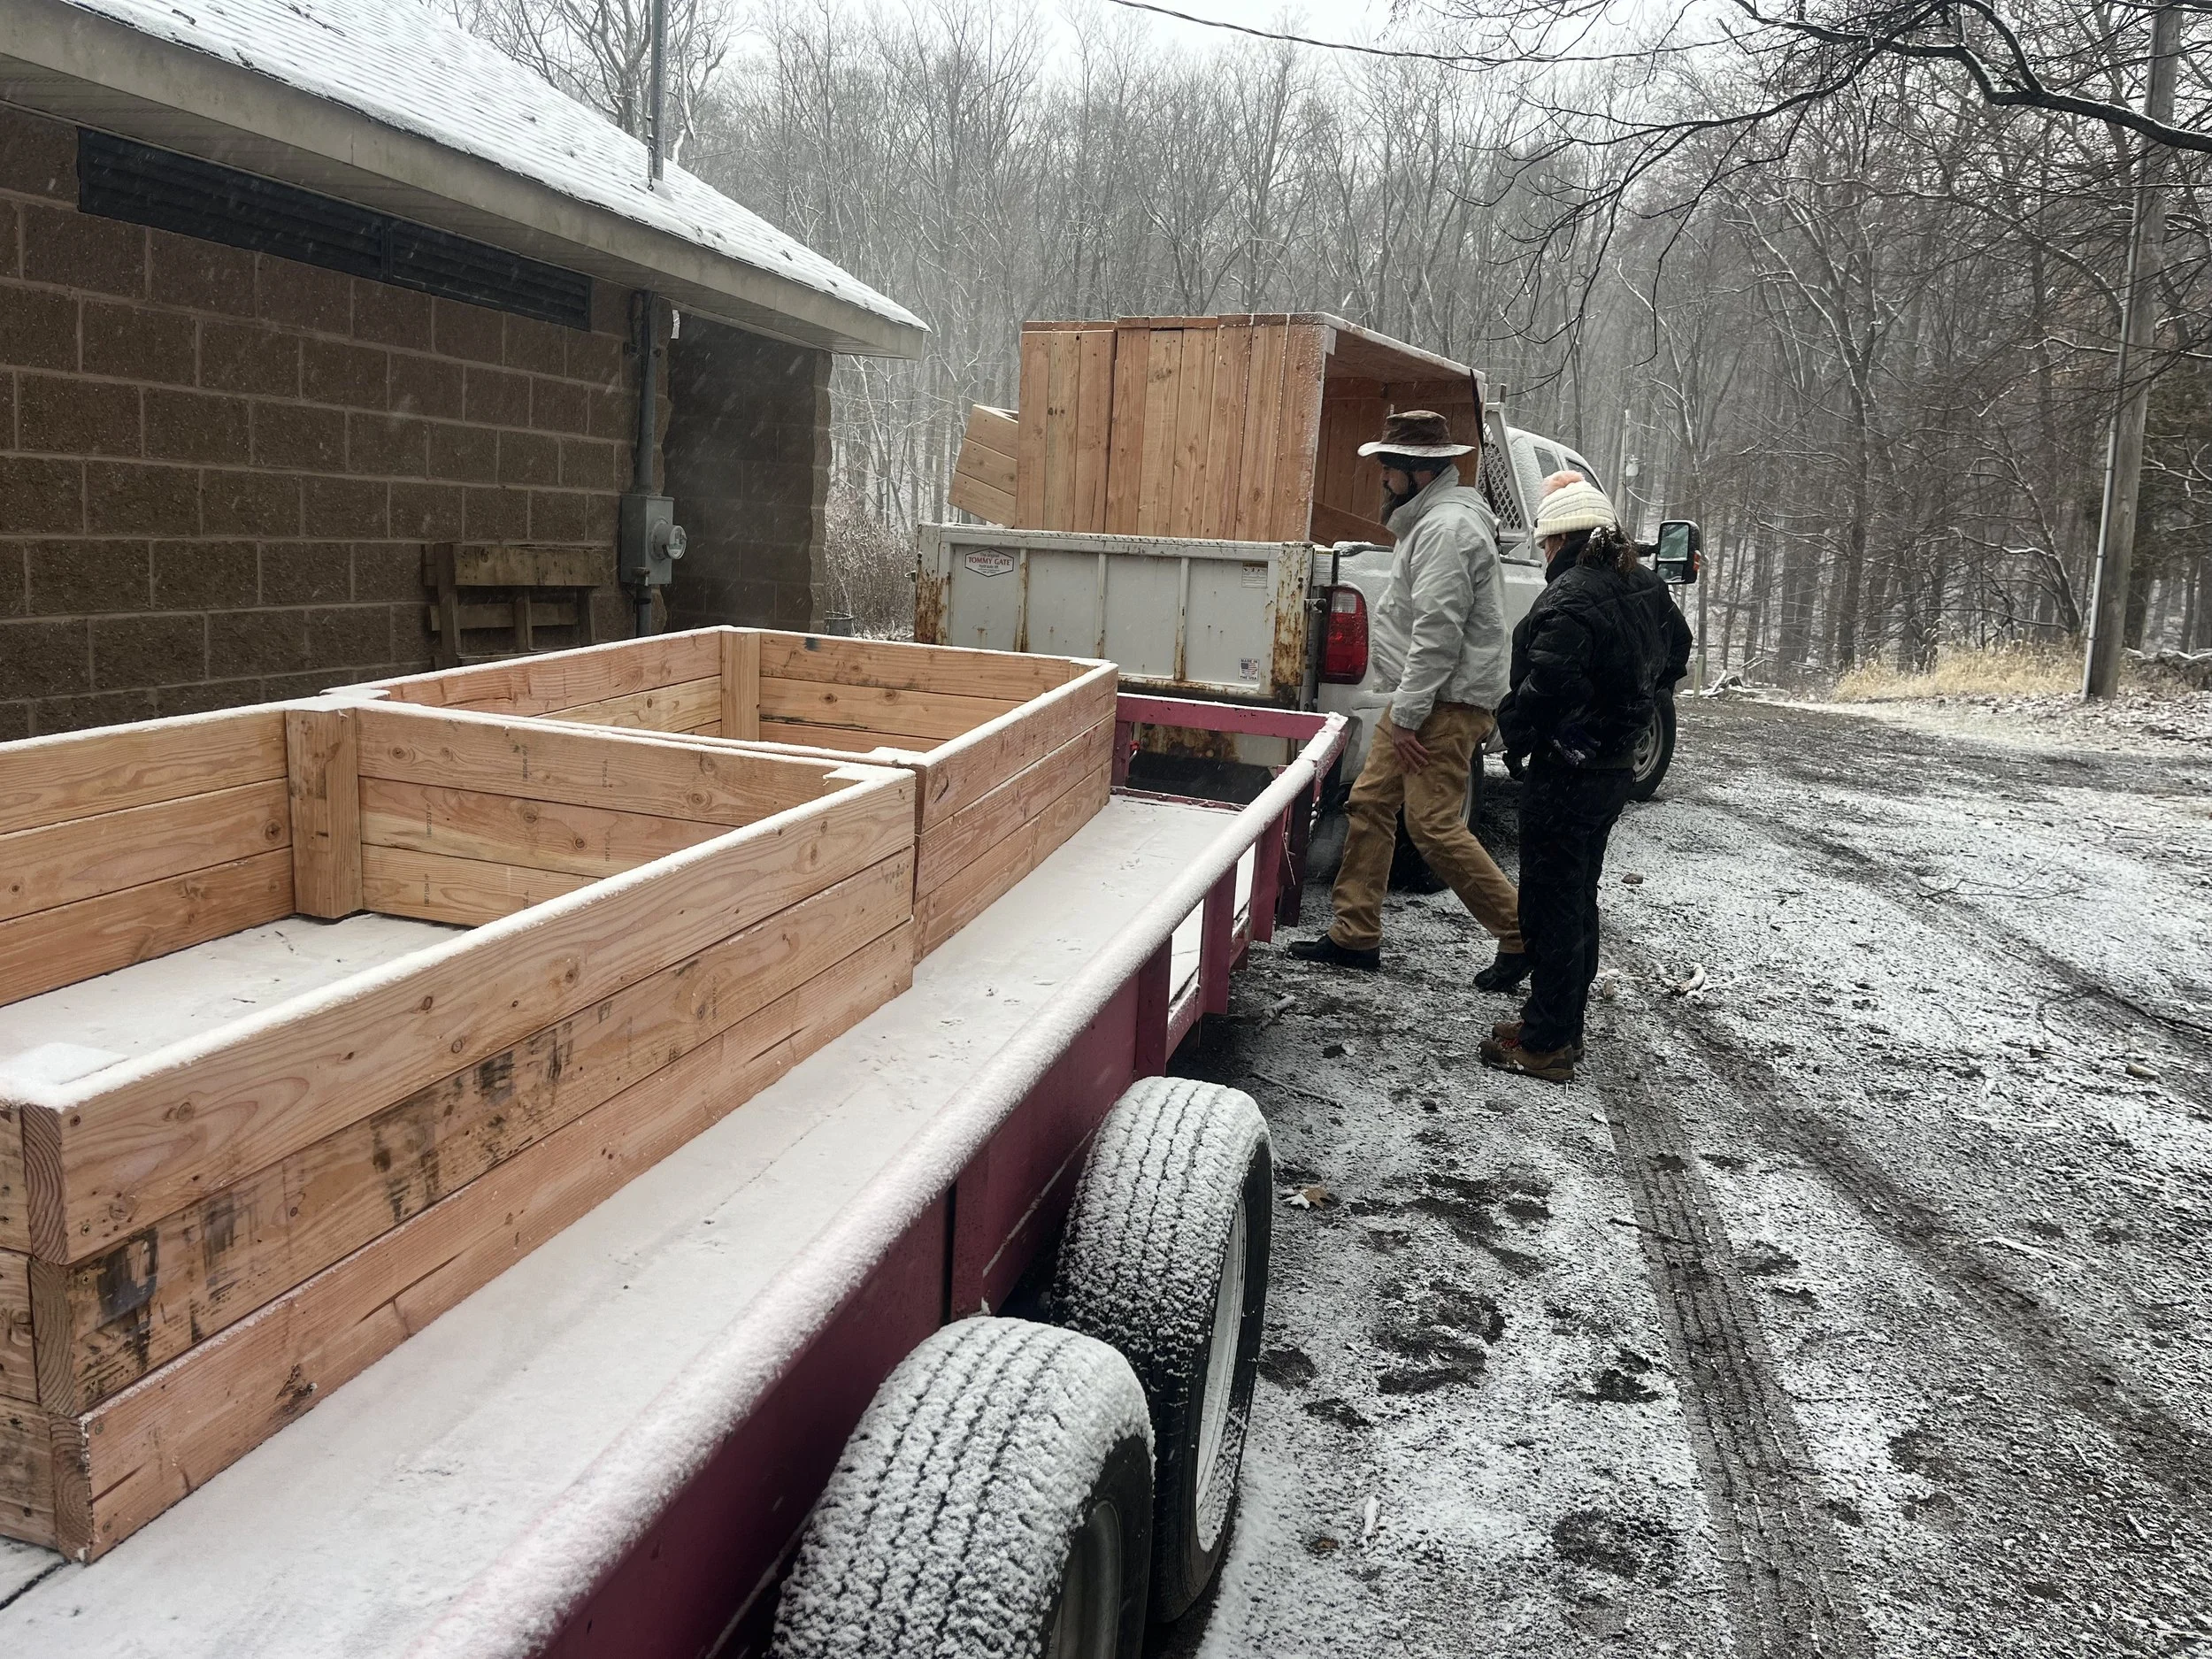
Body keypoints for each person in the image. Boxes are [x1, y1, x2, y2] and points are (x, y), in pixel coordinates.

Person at [1288, 410, 1524, 979]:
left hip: (1443, 702)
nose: (1382, 481)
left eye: (1389, 469)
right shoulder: (1434, 523)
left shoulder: (1446, 531)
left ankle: (1523, 934)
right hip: (1424, 699)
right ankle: (1355, 935)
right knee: (1369, 804)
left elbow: (1438, 633)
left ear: (1419, 471)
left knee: (1434, 827)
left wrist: (1412, 716)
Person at [1481, 472, 1687, 1081]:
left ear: (1564, 538)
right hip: (1611, 771)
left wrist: (1515, 728)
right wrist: (1629, 709)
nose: (1543, 552)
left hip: (1565, 777)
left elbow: (1543, 688)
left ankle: (1545, 1043)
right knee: (1576, 899)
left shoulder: (1569, 596)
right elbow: (1677, 651)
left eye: (1546, 542)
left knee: (1551, 907)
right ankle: (1556, 1024)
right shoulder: (1644, 585)